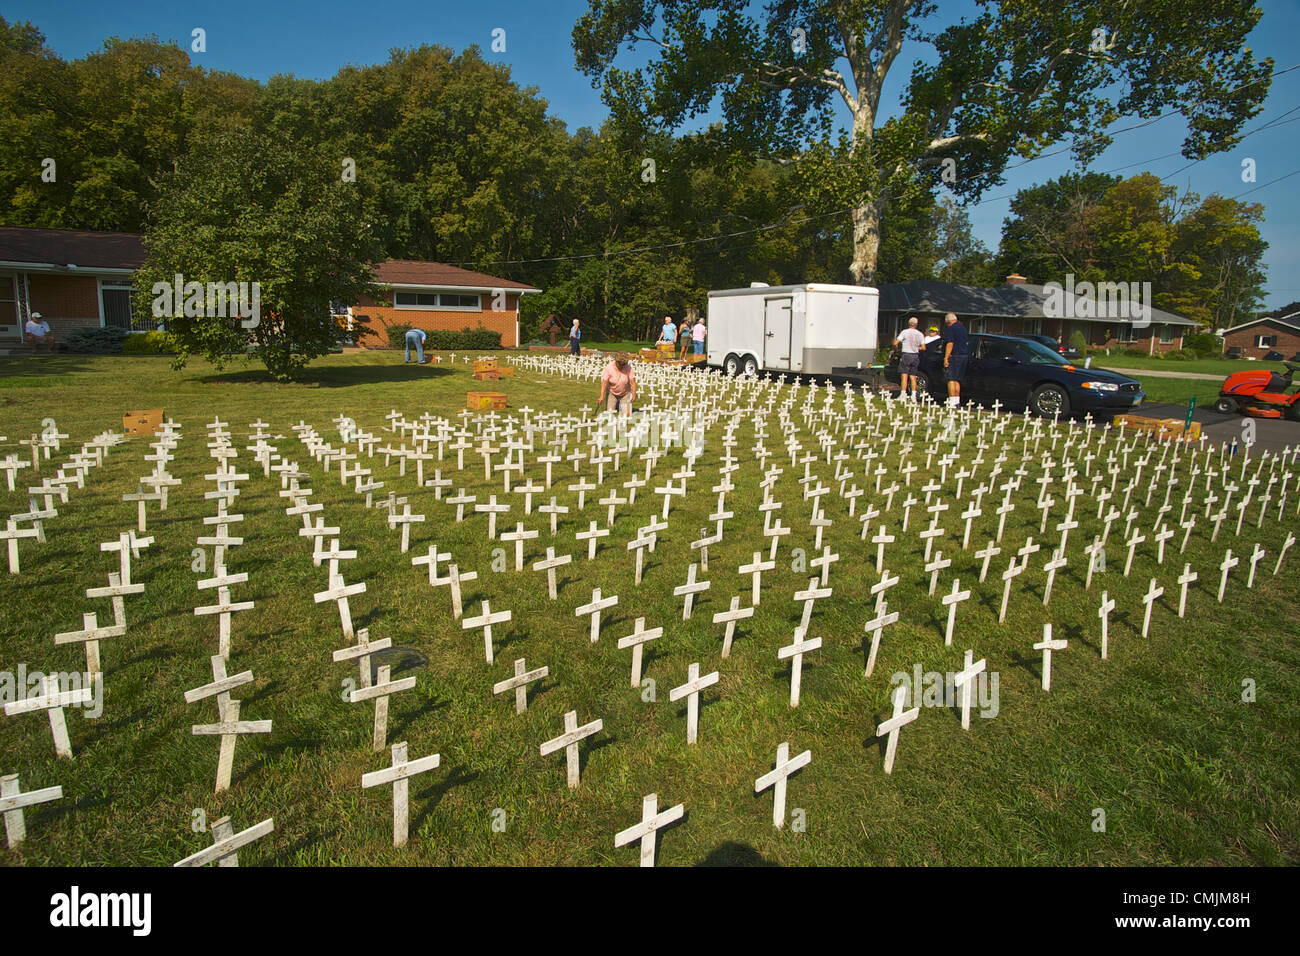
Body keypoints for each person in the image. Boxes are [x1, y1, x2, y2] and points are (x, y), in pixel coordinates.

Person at [893, 316, 925, 400]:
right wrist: (916, 348)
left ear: (908, 324)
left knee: (904, 375)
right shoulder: (920, 334)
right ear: (916, 324)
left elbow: (895, 343)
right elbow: (924, 347)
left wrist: (896, 351)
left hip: (906, 355)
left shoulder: (905, 332)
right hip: (915, 356)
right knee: (913, 376)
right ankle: (913, 396)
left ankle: (903, 395)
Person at [942, 312, 968, 406]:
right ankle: (957, 401)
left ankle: (952, 402)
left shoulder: (951, 328)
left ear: (948, 321)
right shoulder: (963, 328)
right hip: (964, 355)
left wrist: (946, 358)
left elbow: (950, 343)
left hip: (955, 355)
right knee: (957, 380)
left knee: (951, 379)